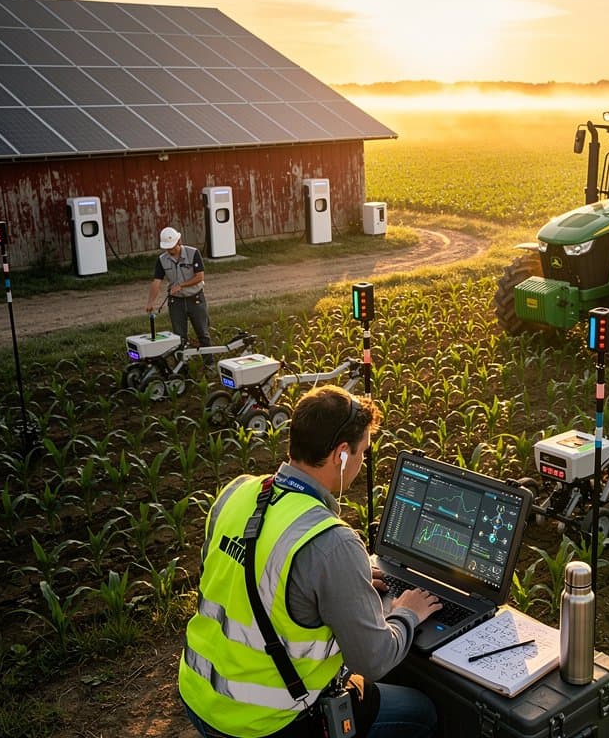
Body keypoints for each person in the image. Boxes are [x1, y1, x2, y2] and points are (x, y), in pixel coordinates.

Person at [178, 385, 441, 738]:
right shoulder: (333, 542)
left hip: (198, 695)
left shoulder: (237, 492)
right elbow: (374, 660)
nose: (362, 463)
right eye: (363, 452)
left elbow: (241, 574)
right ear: (341, 455)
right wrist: (407, 611)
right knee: (420, 712)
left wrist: (345, 580)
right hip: (263, 723)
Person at [146, 226, 213, 363]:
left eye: (172, 247)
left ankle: (209, 364)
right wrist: (150, 302)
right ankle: (183, 367)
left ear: (179, 241)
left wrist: (181, 285)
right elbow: (156, 282)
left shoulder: (193, 253)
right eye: (167, 248)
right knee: (179, 337)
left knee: (203, 334)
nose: (170, 250)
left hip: (195, 299)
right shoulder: (162, 260)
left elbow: (199, 277)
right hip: (176, 302)